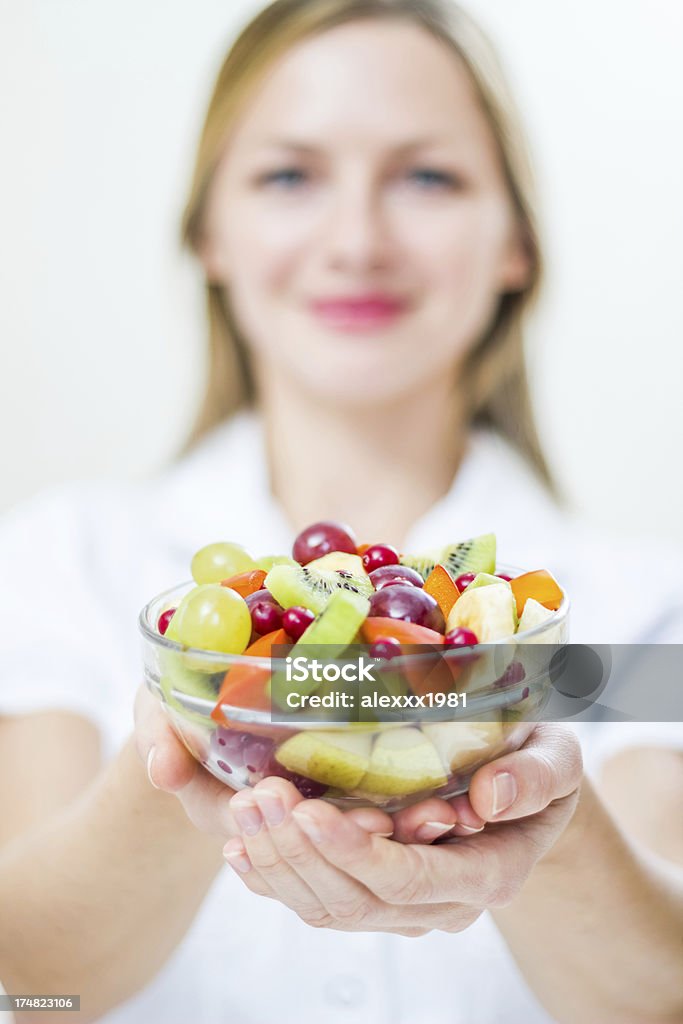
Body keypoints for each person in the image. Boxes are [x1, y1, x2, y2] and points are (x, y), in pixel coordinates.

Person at [1, 1, 682, 1022]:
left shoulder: (647, 605)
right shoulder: (60, 559)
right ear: (209, 236)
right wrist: (202, 737)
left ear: (516, 244)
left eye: (427, 177)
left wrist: (554, 826)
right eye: (288, 175)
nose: (357, 238)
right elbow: (31, 986)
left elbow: (660, 993)